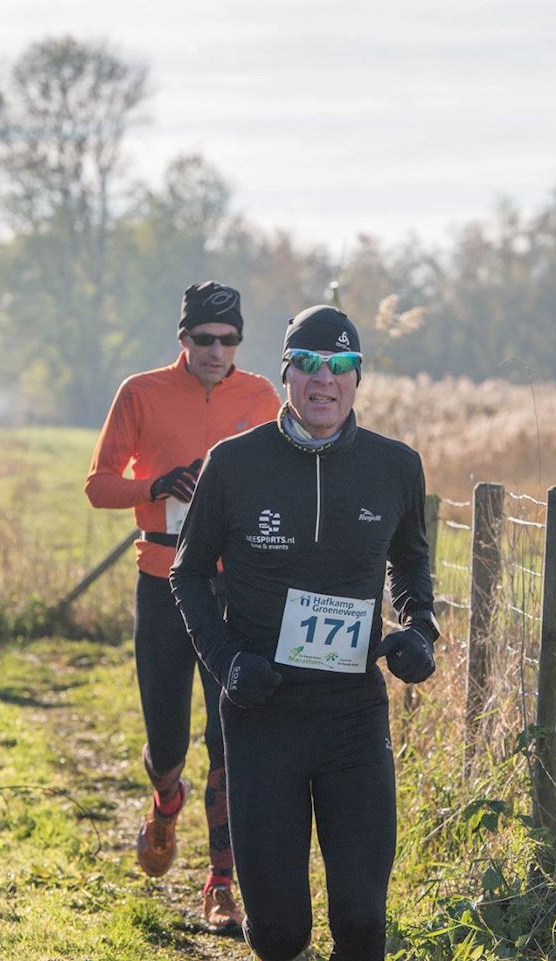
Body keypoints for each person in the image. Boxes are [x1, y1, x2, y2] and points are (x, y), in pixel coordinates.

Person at [170, 304, 439, 961]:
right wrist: (229, 661)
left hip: (352, 714)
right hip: (264, 716)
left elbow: (410, 562)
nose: (326, 380)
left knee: (363, 921)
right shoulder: (233, 464)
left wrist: (419, 629)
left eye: (342, 366)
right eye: (310, 365)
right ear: (285, 373)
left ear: (357, 379)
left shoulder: (395, 466)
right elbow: (189, 574)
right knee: (283, 933)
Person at [84, 281, 280, 934]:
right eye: (204, 339)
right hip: (164, 579)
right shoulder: (140, 393)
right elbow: (98, 485)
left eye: (228, 340)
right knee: (167, 739)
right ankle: (166, 799)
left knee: (229, 736)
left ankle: (221, 886)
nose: (216, 351)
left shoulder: (260, 398)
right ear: (183, 338)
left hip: (236, 588)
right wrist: (155, 484)